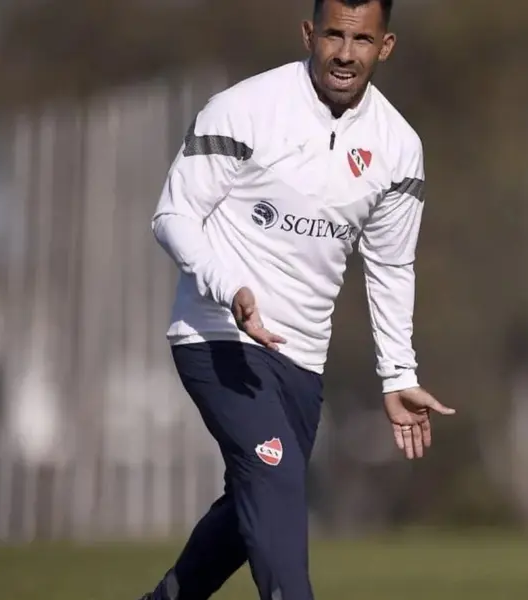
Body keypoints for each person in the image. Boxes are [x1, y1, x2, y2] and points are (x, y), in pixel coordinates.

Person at [140, 1, 454, 598]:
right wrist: (228, 285)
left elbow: (389, 264)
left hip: (302, 361)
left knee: (255, 502)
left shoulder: (398, 148)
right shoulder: (243, 109)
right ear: (309, 33)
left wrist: (398, 373)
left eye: (361, 40)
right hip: (217, 337)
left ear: (384, 46)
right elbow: (173, 214)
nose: (344, 53)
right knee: (276, 479)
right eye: (333, 35)